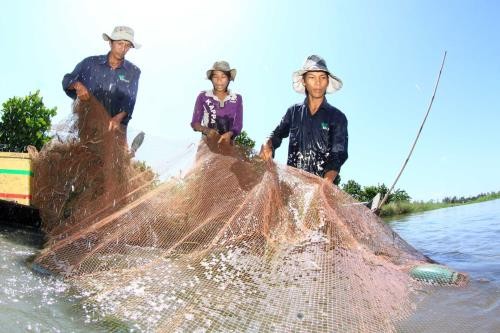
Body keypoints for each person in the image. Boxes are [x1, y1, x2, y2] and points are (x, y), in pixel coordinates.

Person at [260, 55, 348, 184]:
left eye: (322, 77)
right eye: (312, 77)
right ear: (304, 81)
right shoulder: (293, 112)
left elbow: (338, 155)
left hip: (322, 187)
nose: (317, 82)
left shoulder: (338, 117)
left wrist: (324, 186)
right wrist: (267, 143)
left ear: (327, 81)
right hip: (291, 184)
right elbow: (277, 135)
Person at [62, 26, 141, 133]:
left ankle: (128, 150)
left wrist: (118, 118)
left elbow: (130, 101)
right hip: (87, 127)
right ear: (110, 43)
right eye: (120, 43)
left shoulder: (133, 71)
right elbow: (67, 80)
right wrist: (77, 85)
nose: (123, 49)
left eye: (127, 46)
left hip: (115, 131)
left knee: (117, 148)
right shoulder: (90, 63)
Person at [191, 61, 243, 146]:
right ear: (211, 78)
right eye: (215, 77)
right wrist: (207, 130)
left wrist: (230, 134)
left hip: (228, 146)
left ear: (229, 78)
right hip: (207, 145)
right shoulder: (203, 96)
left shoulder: (237, 98)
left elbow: (238, 125)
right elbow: (195, 123)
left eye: (223, 76)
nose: (219, 80)